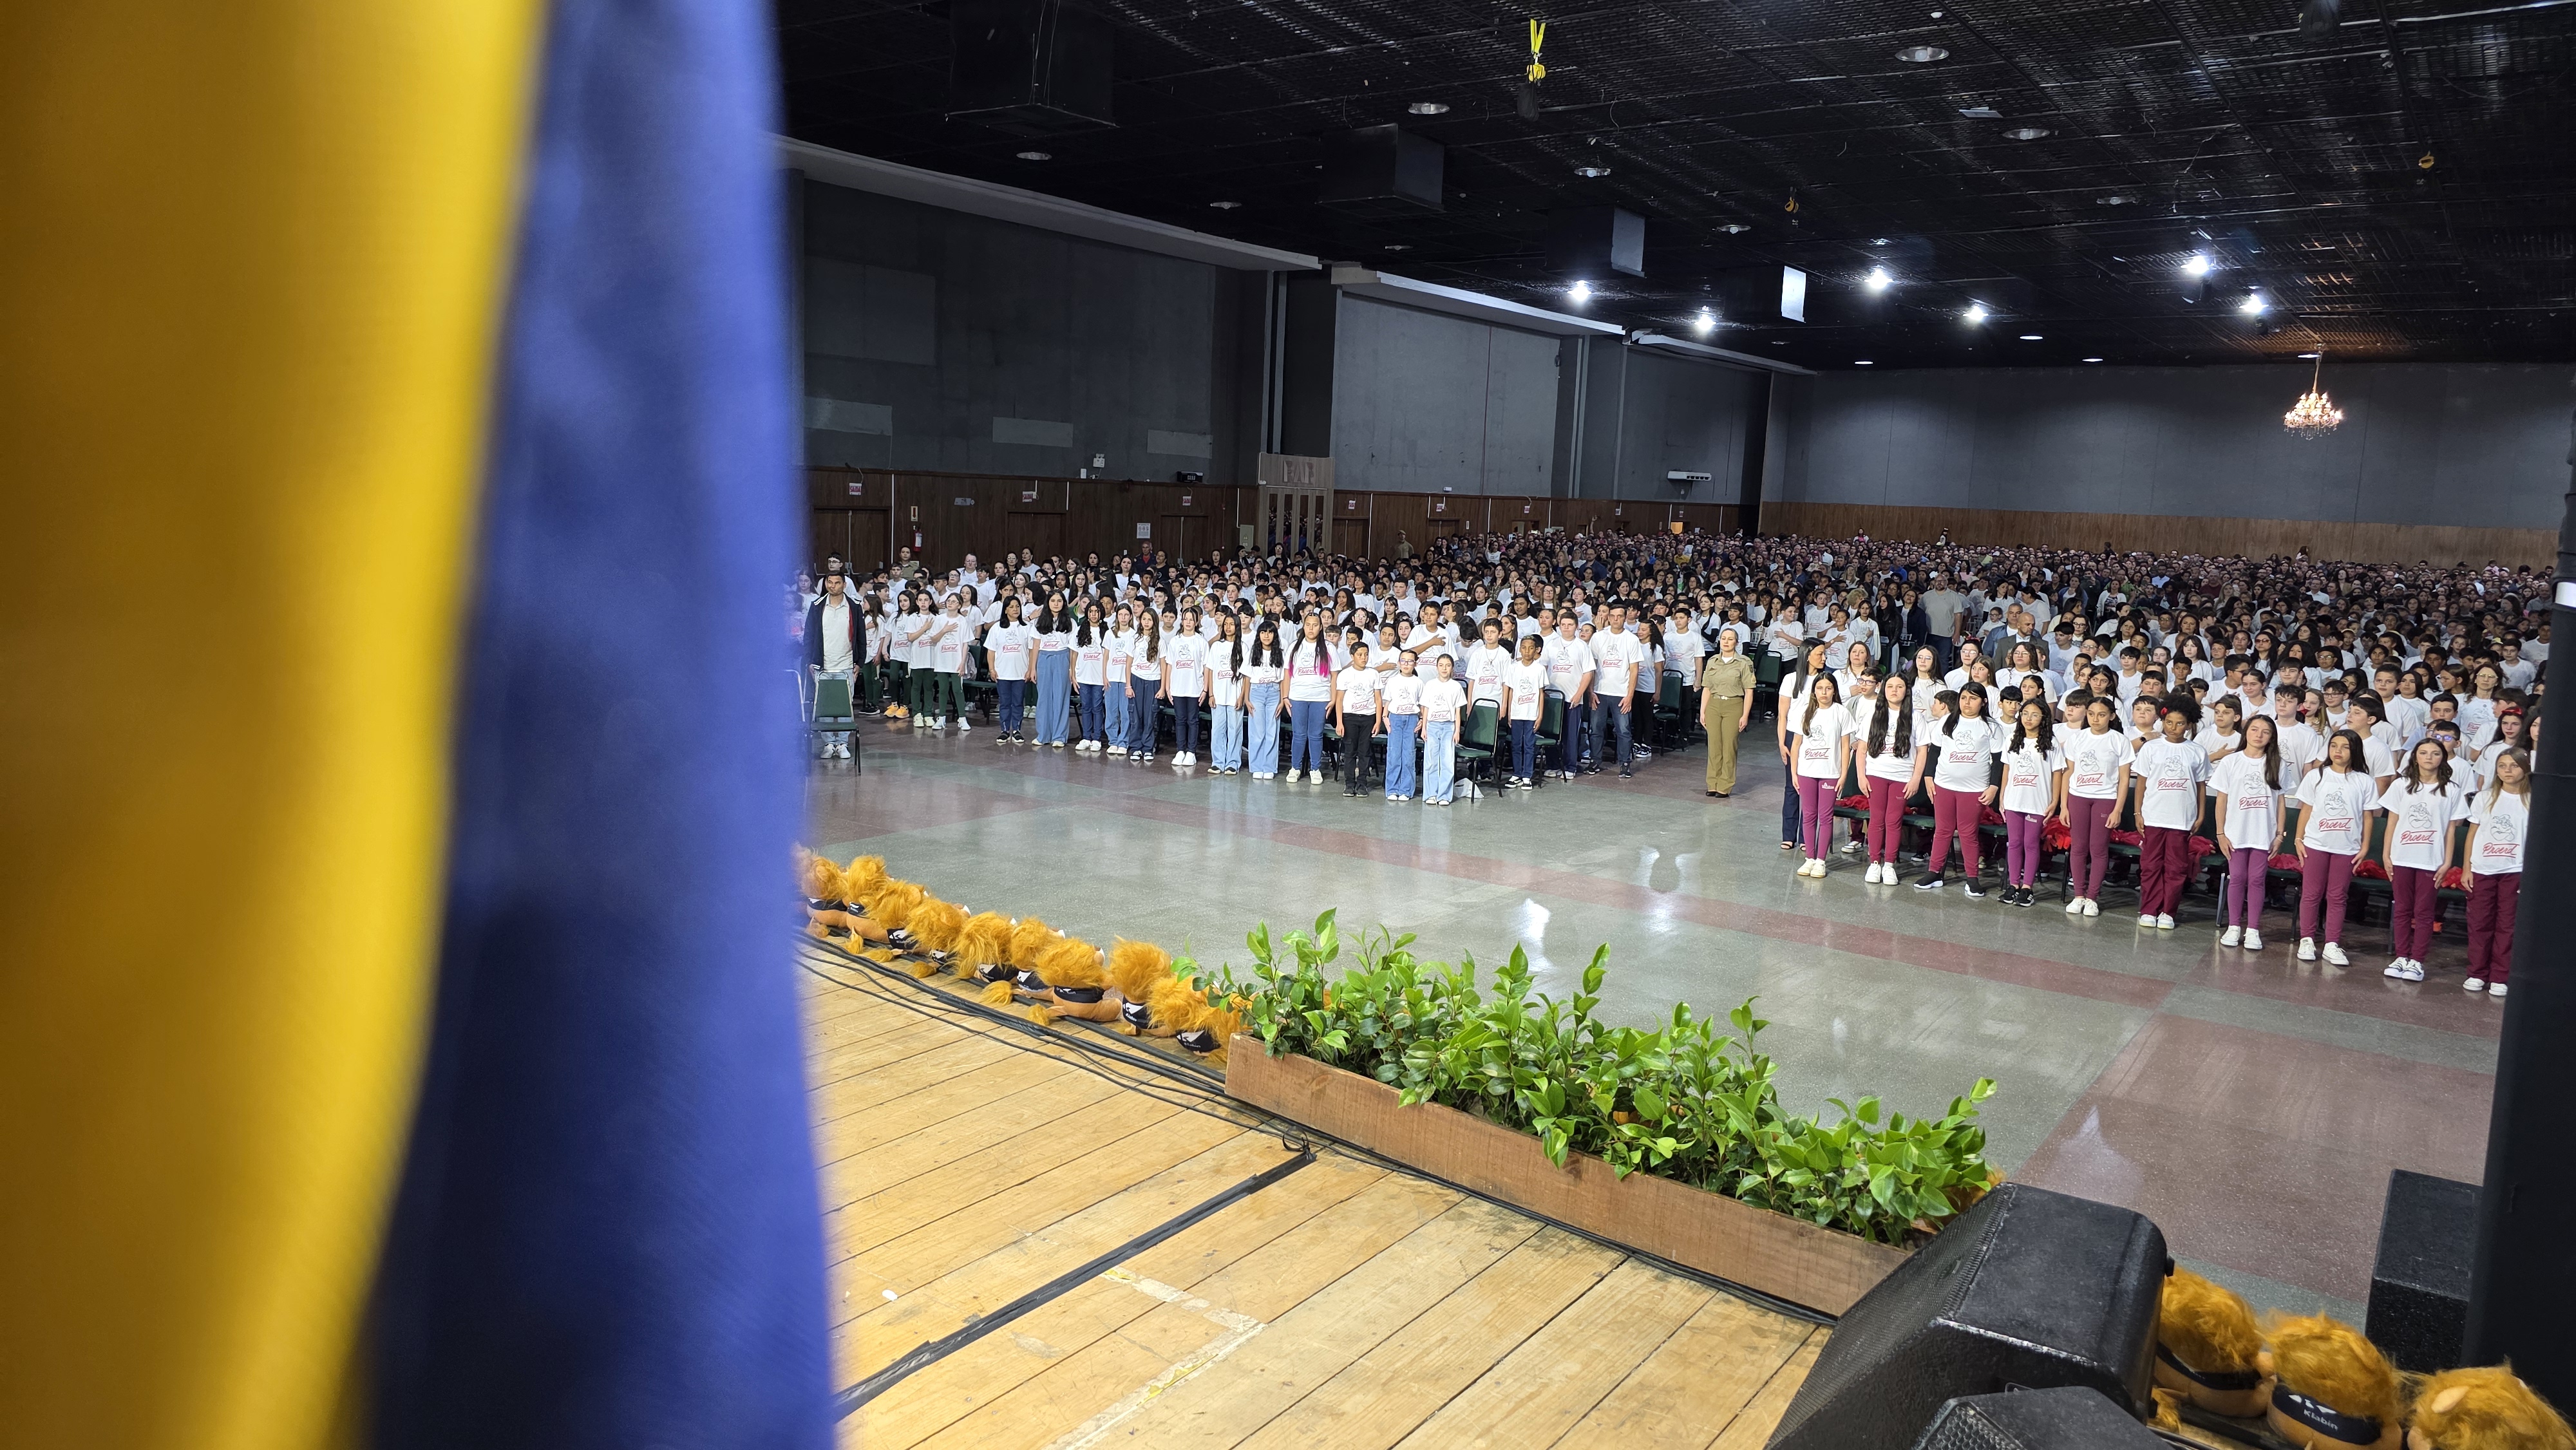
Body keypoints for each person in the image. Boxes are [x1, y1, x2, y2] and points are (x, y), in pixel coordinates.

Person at [2378, 739, 2467, 983]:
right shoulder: (2401, 786)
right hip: (2402, 856)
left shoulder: (2451, 790)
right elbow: (2392, 822)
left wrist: (2447, 861)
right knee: (2403, 908)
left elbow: (2451, 830)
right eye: (2423, 753)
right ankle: (2401, 956)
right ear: (2415, 757)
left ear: (2443, 758)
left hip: (2432, 860)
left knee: (2424, 912)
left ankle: (2417, 961)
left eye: (2435, 753)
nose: (2429, 757)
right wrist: (2387, 854)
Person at [2293, 728, 2376, 966]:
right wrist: (2299, 839)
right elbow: (2306, 809)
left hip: (2346, 848)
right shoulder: (2317, 776)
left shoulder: (2363, 780)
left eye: (2345, 747)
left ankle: (2332, 943)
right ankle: (2307, 939)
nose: (2338, 751)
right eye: (2334, 746)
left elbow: (2367, 816)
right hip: (2316, 844)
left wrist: (2365, 846)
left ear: (2355, 751)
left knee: (2338, 896)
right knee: (2311, 894)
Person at [1913, 683, 2002, 896]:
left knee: (1968, 833)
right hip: (1944, 785)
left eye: (1972, 698)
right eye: (1963, 698)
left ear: (1984, 702)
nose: (1967, 703)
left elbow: (1999, 760)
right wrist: (1928, 776)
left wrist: (1994, 787)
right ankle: (1935, 872)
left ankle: (1972, 878)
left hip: (1975, 789)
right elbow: (1934, 751)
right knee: (1942, 830)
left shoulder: (1990, 726)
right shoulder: (1946, 721)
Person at [2132, 698, 2208, 931]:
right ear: (2162, 721)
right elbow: (2142, 782)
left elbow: (2201, 785)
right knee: (2150, 864)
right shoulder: (2152, 748)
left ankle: (2168, 911)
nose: (2173, 728)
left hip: (2182, 818)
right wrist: (2138, 812)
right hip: (2154, 815)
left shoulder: (2197, 751)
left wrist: (2201, 814)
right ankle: (2149, 909)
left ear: (2189, 725)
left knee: (2176, 868)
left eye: (2180, 723)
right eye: (2169, 722)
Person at [2210, 714, 2283, 950]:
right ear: (2246, 733)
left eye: (2265, 731)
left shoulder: (2276, 763)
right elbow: (2221, 800)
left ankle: (2253, 929)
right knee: (2238, 878)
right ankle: (2234, 926)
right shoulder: (2231, 762)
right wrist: (2221, 833)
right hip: (2235, 832)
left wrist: (2280, 834)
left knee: (2256, 879)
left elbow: (2280, 801)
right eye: (2254, 730)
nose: (2259, 735)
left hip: (2263, 833)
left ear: (2272, 737)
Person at [2463, 745, 2529, 996]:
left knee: (2508, 924)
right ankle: (2477, 972)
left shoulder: (2532, 800)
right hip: (2483, 868)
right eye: (2502, 766)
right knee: (2480, 923)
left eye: (2514, 765)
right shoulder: (2485, 797)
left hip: (2515, 869)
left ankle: (2501, 975)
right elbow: (2472, 834)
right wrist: (2467, 867)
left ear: (2525, 768)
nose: (2507, 770)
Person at [2061, 693, 2134, 917]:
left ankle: (2093, 897)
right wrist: (2064, 806)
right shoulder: (2077, 739)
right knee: (2079, 847)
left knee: (2099, 849)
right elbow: (2068, 773)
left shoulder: (2119, 741)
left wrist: (2118, 809)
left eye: (2102, 715)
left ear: (2111, 716)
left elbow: (2124, 779)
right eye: (2092, 714)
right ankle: (2079, 896)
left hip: (2105, 798)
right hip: (2078, 797)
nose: (2096, 719)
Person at [1996, 695, 2064, 908]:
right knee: (2014, 843)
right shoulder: (2011, 740)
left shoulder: (2050, 743)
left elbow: (2057, 773)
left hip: (2037, 802)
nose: (2028, 718)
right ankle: (2013, 885)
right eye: (2025, 713)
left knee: (2031, 843)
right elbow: (2006, 770)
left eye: (2034, 714)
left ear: (2043, 717)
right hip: (2014, 800)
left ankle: (2027, 887)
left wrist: (2055, 800)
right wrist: (2002, 797)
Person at [1788, 673, 1853, 877]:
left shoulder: (1841, 713)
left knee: (1826, 817)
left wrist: (1843, 775)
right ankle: (1809, 858)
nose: (1824, 693)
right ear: (1814, 691)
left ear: (1834, 690)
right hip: (1806, 772)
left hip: (1830, 773)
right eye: (1820, 688)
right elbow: (1796, 745)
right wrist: (1794, 773)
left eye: (1828, 688)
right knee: (1808, 815)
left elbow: (1845, 746)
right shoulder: (1804, 712)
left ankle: (1821, 861)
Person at [1855, 675, 1917, 885]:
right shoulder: (1873, 715)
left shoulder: (1915, 717)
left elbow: (1923, 750)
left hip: (1902, 776)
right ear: (1883, 689)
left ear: (1906, 690)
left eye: (1899, 686)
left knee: (1894, 821)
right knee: (1877, 819)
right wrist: (1861, 777)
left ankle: (1889, 865)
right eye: (1890, 686)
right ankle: (1874, 862)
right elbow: (1862, 749)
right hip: (1876, 774)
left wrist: (1916, 778)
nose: (1894, 690)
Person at [804, 570, 865, 760]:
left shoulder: (854, 607)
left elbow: (861, 637)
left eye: (837, 583)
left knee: (846, 705)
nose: (833, 586)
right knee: (823, 706)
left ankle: (843, 743)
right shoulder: (817, 606)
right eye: (830, 582)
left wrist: (860, 663)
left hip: (846, 663)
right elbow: (809, 635)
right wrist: (809, 660)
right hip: (823, 664)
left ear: (844, 585)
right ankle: (829, 743)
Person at [1699, 626, 1756, 798]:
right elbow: (1707, 688)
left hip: (1734, 705)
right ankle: (1713, 783)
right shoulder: (1712, 661)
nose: (1726, 642)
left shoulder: (1744, 663)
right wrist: (1702, 711)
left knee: (1729, 746)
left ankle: (1725, 785)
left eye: (1730, 639)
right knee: (1714, 746)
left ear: (1737, 643)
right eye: (1723, 638)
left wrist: (1745, 715)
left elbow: (1749, 690)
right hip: (1714, 705)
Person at [1286, 612, 1334, 784]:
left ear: (1321, 627)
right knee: (1299, 735)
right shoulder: (1294, 647)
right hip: (1298, 696)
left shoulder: (1329, 648)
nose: (1311, 628)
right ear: (1304, 626)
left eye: (1315, 625)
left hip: (1320, 697)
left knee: (1315, 735)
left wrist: (1333, 698)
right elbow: (1287, 673)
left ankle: (1315, 769)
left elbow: (1335, 675)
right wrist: (1285, 696)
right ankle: (1295, 768)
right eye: (1308, 625)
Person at [983, 595, 1034, 742]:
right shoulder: (997, 628)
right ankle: (1005, 730)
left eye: (1017, 606)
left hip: (1021, 672)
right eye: (1012, 607)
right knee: (1005, 702)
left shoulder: (1026, 627)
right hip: (1002, 672)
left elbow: (1031, 650)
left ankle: (1017, 730)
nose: (1015, 609)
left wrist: (1030, 669)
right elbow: (991, 651)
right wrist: (992, 669)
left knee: (1018, 702)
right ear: (1006, 610)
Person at [1334, 641, 1380, 796]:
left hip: (1368, 717)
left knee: (1365, 752)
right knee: (1350, 751)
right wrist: (1339, 722)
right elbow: (1339, 700)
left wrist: (1378, 721)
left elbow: (1378, 699)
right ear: (1352, 656)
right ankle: (1349, 783)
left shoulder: (1373, 674)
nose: (1364, 658)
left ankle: (1362, 783)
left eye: (1366, 654)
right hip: (1350, 717)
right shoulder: (1345, 674)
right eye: (1360, 655)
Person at [1421, 653, 1466, 805]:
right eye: (1441, 665)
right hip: (1432, 725)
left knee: (1447, 761)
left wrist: (1457, 730)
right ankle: (1430, 794)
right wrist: (1424, 728)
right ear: (1437, 667)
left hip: (1448, 726)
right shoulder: (1430, 685)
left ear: (1452, 668)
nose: (1444, 668)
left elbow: (1457, 712)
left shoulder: (1456, 686)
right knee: (1431, 761)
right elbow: (1425, 708)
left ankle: (1445, 796)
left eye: (1448, 665)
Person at [1243, 617, 1285, 780]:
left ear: (1275, 635)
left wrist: (1282, 700)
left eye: (1270, 632)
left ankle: (1269, 767)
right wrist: (1246, 698)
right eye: (1263, 632)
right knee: (1257, 731)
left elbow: (1282, 679)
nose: (1266, 636)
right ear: (1258, 635)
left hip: (1274, 691)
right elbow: (1247, 678)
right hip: (1257, 692)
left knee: (1272, 731)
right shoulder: (1252, 652)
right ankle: (1257, 766)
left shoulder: (1280, 653)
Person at [1032, 591, 1074, 748]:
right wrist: (1032, 668)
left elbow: (1072, 649)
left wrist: (1072, 669)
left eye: (1059, 601)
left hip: (1062, 658)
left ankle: (1059, 736)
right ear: (1048, 603)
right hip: (1044, 659)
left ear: (1064, 603)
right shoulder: (1039, 622)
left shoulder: (1070, 622)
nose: (1056, 604)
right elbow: (1035, 646)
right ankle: (1043, 735)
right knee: (1043, 697)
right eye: (1053, 601)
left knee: (1061, 698)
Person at [1165, 605, 1206, 767]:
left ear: (1196, 622)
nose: (1188, 622)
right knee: (1180, 720)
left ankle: (1191, 751)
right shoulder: (1175, 641)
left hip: (1195, 687)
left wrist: (1206, 689)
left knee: (1193, 720)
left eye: (1191, 619)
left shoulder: (1201, 642)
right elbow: (1169, 665)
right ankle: (1180, 750)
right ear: (1182, 621)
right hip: (1178, 687)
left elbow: (1206, 667)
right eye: (1185, 619)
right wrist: (1168, 687)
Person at [1382, 650, 1424, 802]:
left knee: (1408, 755)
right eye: (1403, 661)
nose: (1406, 664)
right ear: (1399, 663)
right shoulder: (1393, 681)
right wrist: (1385, 717)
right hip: (1395, 719)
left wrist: (1422, 720)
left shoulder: (1418, 682)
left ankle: (1406, 790)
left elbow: (1422, 704)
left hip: (1412, 719)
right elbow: (1388, 701)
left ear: (1415, 663)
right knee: (1394, 754)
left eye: (1410, 661)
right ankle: (1392, 789)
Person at [1206, 611, 1244, 775]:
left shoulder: (1244, 647)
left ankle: (1233, 763)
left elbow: (1246, 675)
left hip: (1235, 696)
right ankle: (1218, 761)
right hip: (1219, 695)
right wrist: (1211, 694)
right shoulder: (1217, 646)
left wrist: (1242, 696)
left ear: (1237, 626)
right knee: (1218, 730)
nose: (1228, 627)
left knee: (1235, 730)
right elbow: (1210, 670)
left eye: (1231, 624)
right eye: (1225, 624)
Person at [1126, 609, 1165, 765]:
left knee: (1150, 716)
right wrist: (1128, 685)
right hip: (1136, 679)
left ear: (1154, 622)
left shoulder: (1160, 641)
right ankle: (1135, 747)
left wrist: (1162, 688)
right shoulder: (1135, 639)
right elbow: (1128, 664)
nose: (1146, 622)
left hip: (1153, 681)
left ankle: (1148, 748)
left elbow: (1163, 666)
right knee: (1136, 716)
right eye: (1144, 619)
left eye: (1149, 619)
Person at [1073, 601, 1110, 753]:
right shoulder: (1080, 630)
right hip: (1083, 676)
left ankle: (1097, 738)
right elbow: (1074, 653)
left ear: (1101, 613)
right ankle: (1086, 737)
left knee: (1097, 707)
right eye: (1091, 611)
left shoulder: (1107, 631)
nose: (1093, 614)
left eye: (1096, 611)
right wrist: (1073, 674)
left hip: (1099, 677)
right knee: (1086, 707)